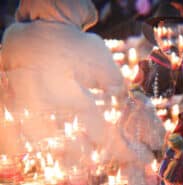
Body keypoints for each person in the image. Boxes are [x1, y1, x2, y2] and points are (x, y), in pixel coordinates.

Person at [0, 0, 124, 159]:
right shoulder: (89, 44)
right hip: (79, 151)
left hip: (22, 148)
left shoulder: (13, 37)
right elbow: (118, 95)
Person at [139, 0, 183, 99]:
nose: (170, 43)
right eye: (164, 37)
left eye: (174, 37)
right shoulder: (149, 68)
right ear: (156, 36)